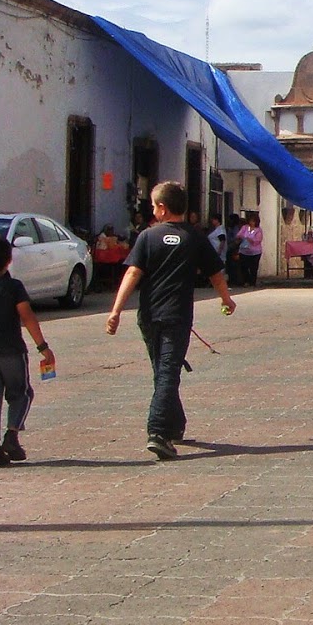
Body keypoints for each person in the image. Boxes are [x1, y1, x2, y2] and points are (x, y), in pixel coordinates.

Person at [104, 182, 235, 460]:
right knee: (168, 372)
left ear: (162, 209)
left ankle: (174, 425)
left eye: (153, 206)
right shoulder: (195, 237)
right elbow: (215, 274)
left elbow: (132, 274)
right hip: (177, 316)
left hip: (149, 316)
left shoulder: (147, 237)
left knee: (163, 371)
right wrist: (226, 299)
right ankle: (158, 432)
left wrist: (116, 310)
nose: (152, 210)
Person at [0, 233, 55, 467]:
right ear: (9, 260)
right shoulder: (13, 287)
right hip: (12, 353)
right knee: (21, 393)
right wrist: (42, 346)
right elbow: (27, 317)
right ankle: (12, 434)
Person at [235, 211, 264, 286]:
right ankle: (246, 281)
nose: (251, 222)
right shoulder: (245, 227)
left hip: (255, 252)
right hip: (244, 251)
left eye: (253, 221)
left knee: (253, 268)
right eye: (250, 220)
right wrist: (241, 237)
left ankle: (252, 282)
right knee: (244, 267)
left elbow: (258, 240)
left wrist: (250, 239)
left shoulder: (258, 230)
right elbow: (239, 235)